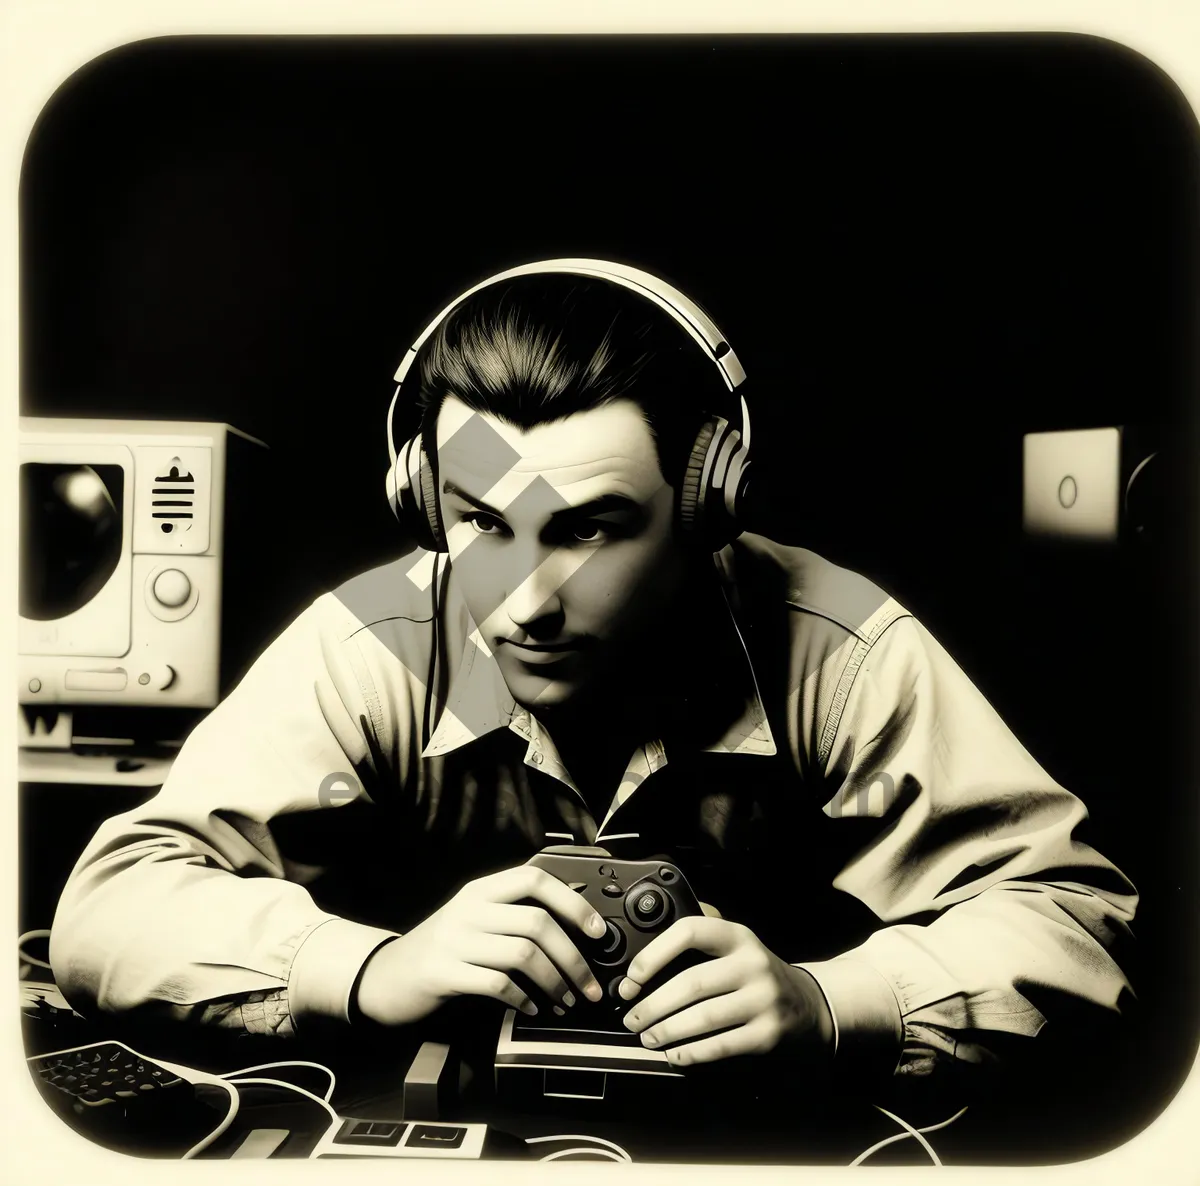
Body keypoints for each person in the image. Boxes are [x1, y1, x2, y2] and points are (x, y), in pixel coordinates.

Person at [50, 261, 1137, 1099]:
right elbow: (113, 905)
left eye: (593, 528)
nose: (524, 601)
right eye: (482, 524)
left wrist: (831, 1004)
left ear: (707, 509)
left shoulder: (839, 648)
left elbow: (1076, 917)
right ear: (425, 501)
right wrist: (372, 969)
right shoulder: (371, 642)